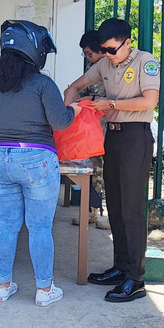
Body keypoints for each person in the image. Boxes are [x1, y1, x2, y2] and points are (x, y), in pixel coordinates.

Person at [0, 20, 81, 306]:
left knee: (6, 224)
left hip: (1, 157)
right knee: (39, 228)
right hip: (36, 159)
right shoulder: (42, 84)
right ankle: (44, 290)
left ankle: (2, 285)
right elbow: (60, 122)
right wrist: (73, 108)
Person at [63, 18, 160, 303]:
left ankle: (136, 278)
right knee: (115, 207)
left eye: (113, 49)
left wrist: (111, 104)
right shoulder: (105, 63)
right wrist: (67, 110)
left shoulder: (145, 61)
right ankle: (120, 267)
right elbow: (76, 85)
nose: (108, 54)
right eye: (104, 49)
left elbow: (149, 101)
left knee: (131, 209)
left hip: (136, 138)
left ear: (128, 42)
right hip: (113, 139)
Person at [74, 30, 108, 229]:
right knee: (92, 169)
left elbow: (114, 98)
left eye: (89, 53)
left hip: (108, 128)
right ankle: (90, 212)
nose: (88, 57)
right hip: (92, 128)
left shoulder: (111, 68)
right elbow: (85, 89)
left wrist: (91, 99)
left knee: (108, 173)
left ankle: (109, 216)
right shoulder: (92, 67)